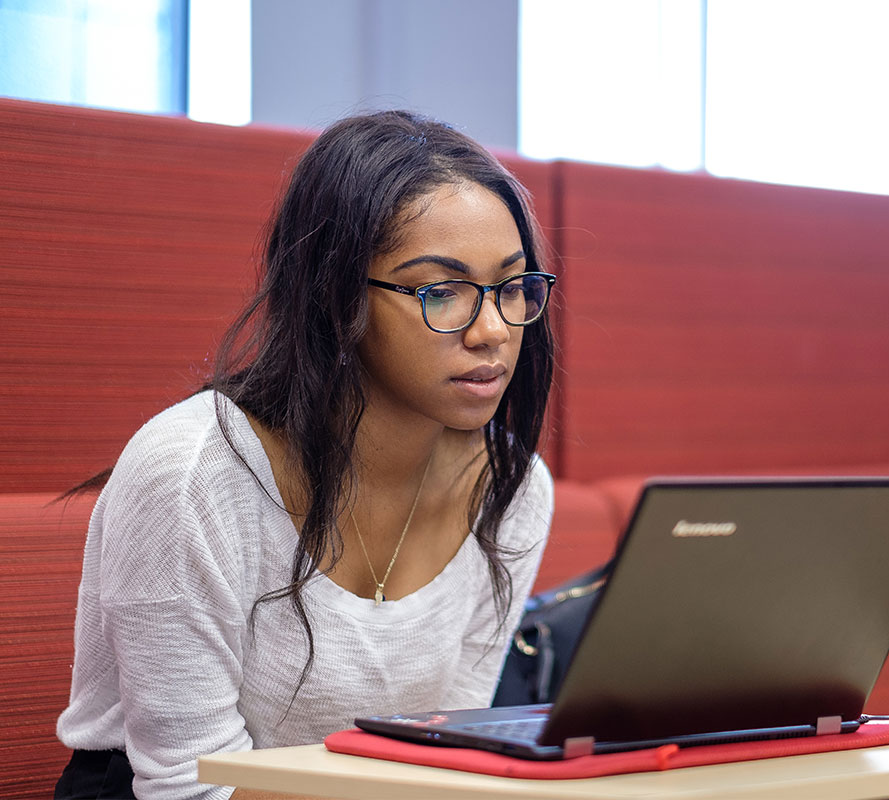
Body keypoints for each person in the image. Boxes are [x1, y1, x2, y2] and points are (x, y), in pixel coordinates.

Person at [54, 110, 557, 800]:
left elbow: (447, 750)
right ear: (335, 295)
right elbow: (189, 786)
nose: (494, 330)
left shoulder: (512, 487)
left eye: (512, 286)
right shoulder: (190, 475)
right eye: (441, 292)